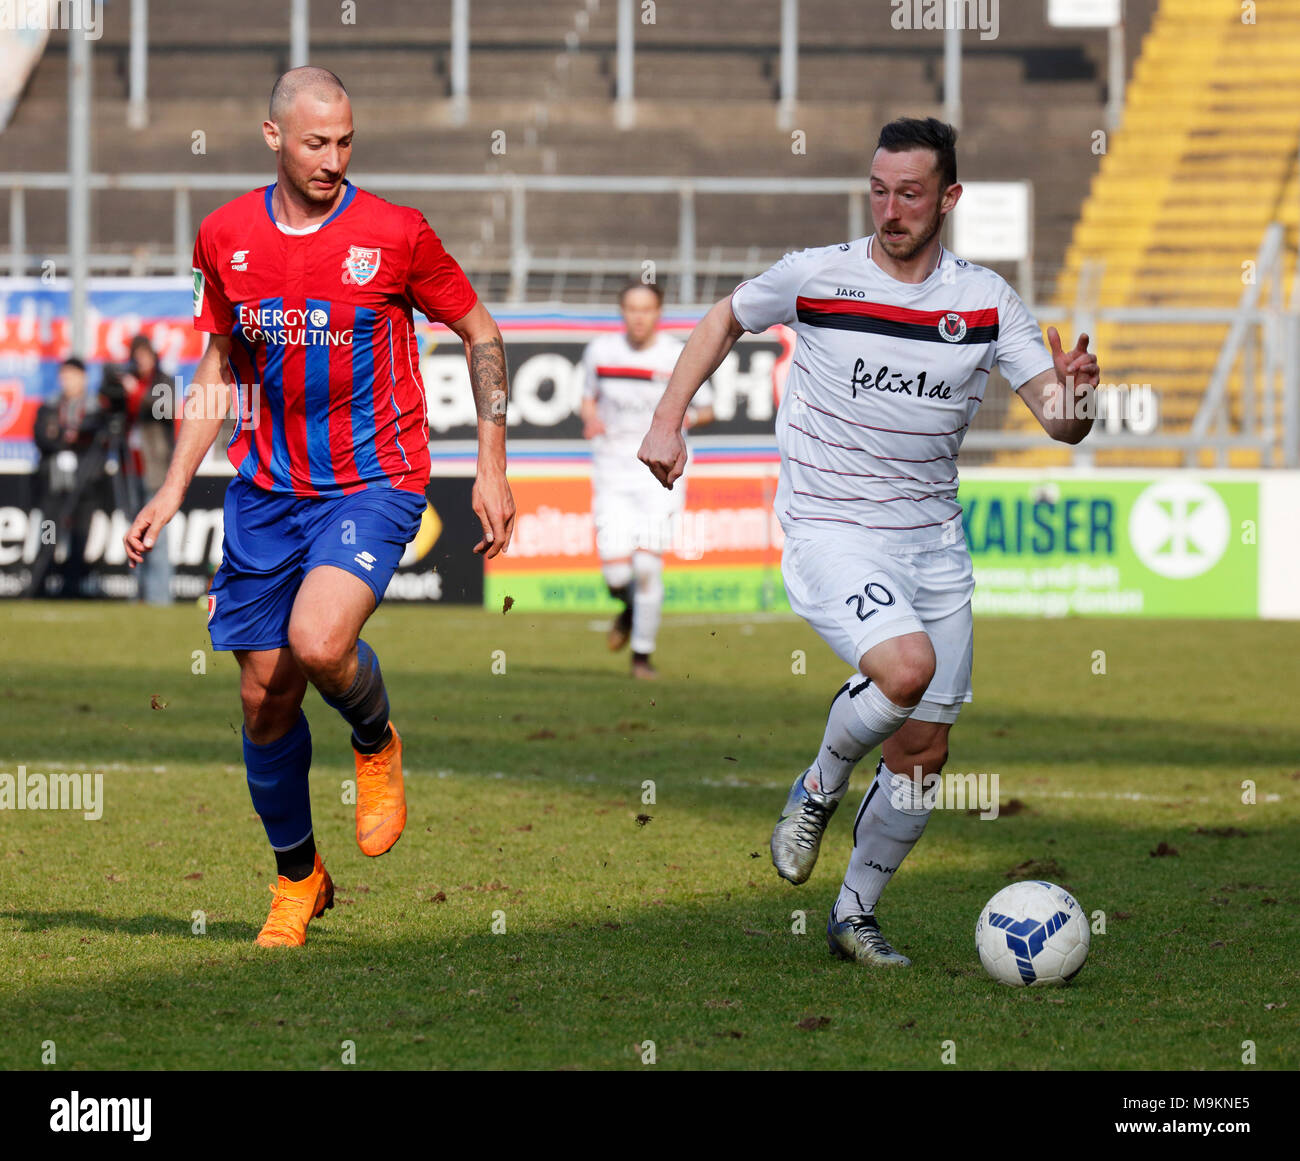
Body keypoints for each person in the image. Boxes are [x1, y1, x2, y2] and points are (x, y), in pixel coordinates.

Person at [639, 117, 1099, 967]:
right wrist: (668, 418)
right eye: (879, 190)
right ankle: (818, 784)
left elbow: (1061, 422)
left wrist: (1078, 398)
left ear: (948, 198)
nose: (891, 209)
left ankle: (855, 914)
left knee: (923, 748)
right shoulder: (817, 277)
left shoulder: (987, 301)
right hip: (832, 531)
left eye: (911, 193)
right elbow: (722, 319)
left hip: (934, 547)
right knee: (903, 668)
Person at [124, 67, 515, 948]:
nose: (334, 159)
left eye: (345, 141)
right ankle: (299, 877)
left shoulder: (397, 233)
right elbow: (218, 371)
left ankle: (375, 738)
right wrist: (174, 485)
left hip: (375, 478)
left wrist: (490, 462)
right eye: (315, 143)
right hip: (265, 491)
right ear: (273, 137)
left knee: (318, 640)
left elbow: (480, 329)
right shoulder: (223, 237)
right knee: (265, 699)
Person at [580, 281, 713, 679]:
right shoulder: (600, 352)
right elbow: (587, 397)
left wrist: (677, 421)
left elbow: (706, 408)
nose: (639, 316)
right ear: (622, 311)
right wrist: (590, 417)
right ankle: (629, 610)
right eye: (632, 308)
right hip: (612, 474)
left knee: (647, 567)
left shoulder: (677, 354)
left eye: (646, 309)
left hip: (660, 476)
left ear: (659, 312)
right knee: (618, 574)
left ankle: (642, 657)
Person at [31, 358, 109, 598]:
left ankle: (72, 587)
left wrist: (65, 436)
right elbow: (42, 437)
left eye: (73, 376)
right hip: (53, 482)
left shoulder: (95, 407)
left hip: (85, 482)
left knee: (79, 536)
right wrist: (68, 438)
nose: (68, 381)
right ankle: (40, 584)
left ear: (83, 378)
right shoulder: (50, 406)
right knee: (49, 532)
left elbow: (97, 436)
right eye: (65, 376)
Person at [122, 335, 178, 604]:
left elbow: (165, 409)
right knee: (132, 533)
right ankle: (138, 596)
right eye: (136, 356)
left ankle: (159, 598)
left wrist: (137, 393)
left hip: (155, 468)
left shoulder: (163, 381)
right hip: (129, 467)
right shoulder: (127, 380)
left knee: (156, 534)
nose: (140, 361)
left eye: (144, 355)